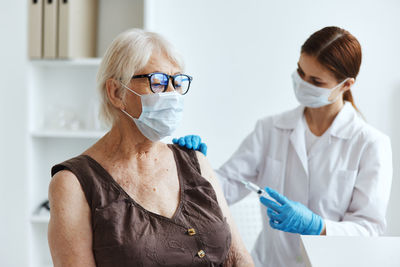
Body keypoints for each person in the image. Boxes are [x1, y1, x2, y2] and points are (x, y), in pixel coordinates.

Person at [174, 26, 393, 267]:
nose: (303, 83)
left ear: (346, 85)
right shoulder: (270, 129)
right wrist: (197, 169)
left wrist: (318, 227)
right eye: (300, 72)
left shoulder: (370, 144)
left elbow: (368, 229)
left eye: (316, 81)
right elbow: (227, 186)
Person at [48, 29, 254, 267]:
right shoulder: (74, 183)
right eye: (157, 82)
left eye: (177, 82)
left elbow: (237, 258)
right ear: (116, 92)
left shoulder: (195, 161)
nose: (172, 95)